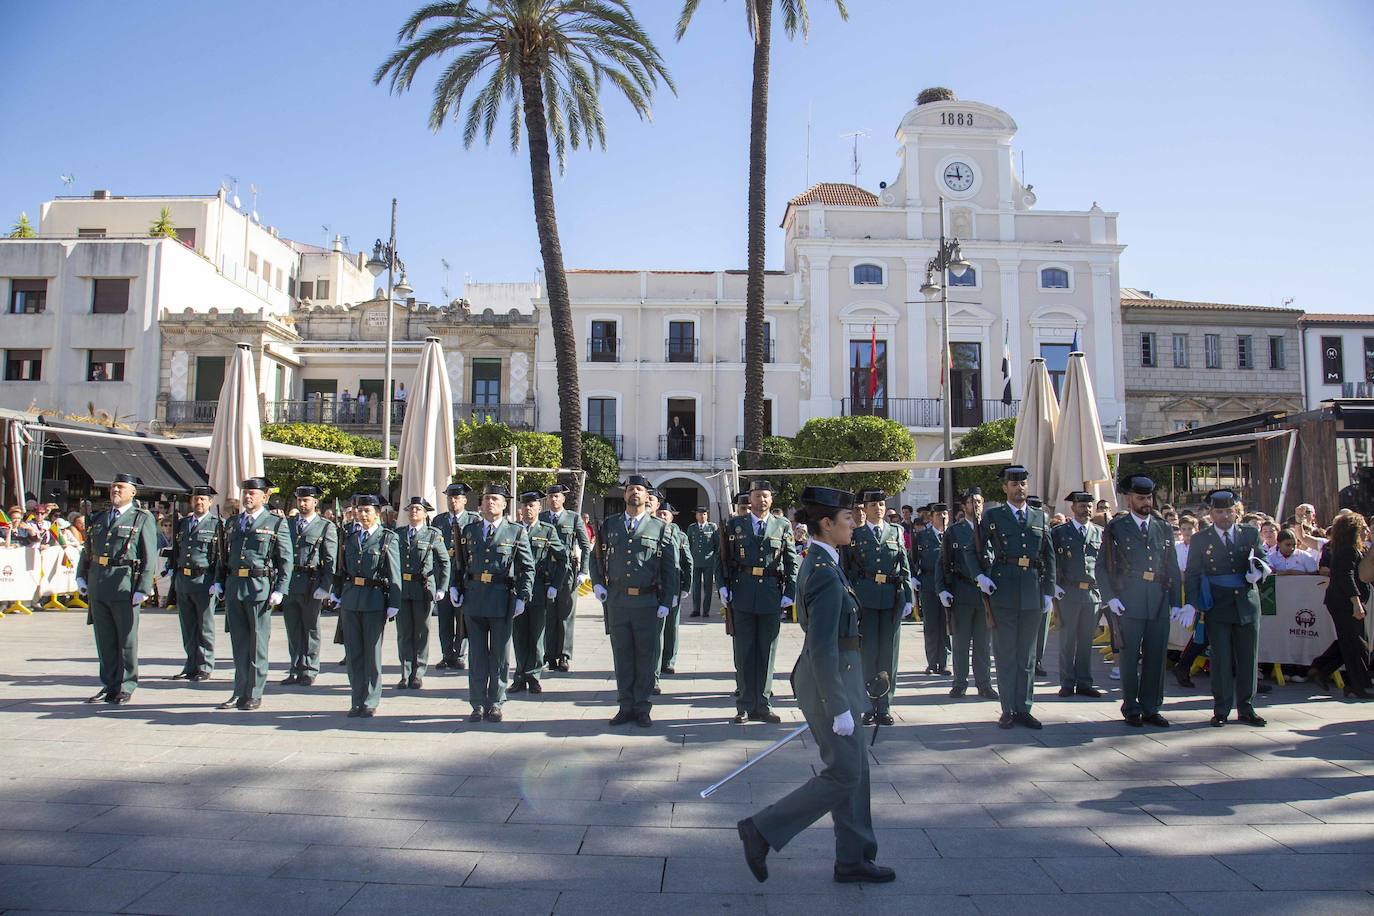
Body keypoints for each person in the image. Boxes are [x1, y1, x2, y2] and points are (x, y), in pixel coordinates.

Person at [737, 485, 894, 887]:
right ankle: (762, 829)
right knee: (843, 773)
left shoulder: (829, 561)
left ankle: (854, 857)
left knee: (855, 769)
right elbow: (822, 646)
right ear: (826, 524)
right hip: (830, 680)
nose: (855, 524)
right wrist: (838, 705)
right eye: (847, 519)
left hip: (841, 675)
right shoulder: (823, 572)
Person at [592, 475, 679, 727]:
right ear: (625, 495)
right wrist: (597, 583)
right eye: (631, 489)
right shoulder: (610, 525)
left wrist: (667, 600)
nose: (635, 494)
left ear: (647, 496)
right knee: (622, 655)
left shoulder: (660, 528)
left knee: (646, 656)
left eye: (639, 490)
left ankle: (642, 707)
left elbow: (669, 568)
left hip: (647, 602)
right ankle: (625, 705)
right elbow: (595, 557)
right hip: (618, 601)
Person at [1182, 488, 1271, 727]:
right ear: (1211, 513)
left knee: (1248, 658)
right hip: (1217, 605)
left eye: (1229, 511)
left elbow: (1263, 558)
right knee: (1220, 659)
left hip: (1246, 602)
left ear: (1237, 512)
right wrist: (1192, 603)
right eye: (1219, 511)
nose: (1225, 516)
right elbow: (1192, 573)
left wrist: (1258, 571)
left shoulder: (1249, 534)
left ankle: (1247, 707)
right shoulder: (1202, 539)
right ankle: (1221, 708)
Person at [1100, 475, 1182, 727]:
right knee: (1128, 656)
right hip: (1129, 598)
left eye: (1149, 497)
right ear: (1129, 499)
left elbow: (1172, 566)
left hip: (1157, 597)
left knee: (1156, 655)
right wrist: (1110, 597)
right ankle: (1131, 706)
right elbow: (1103, 566)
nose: (1146, 502)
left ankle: (1152, 706)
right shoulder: (1117, 527)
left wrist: (1176, 600)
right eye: (1141, 498)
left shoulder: (1162, 527)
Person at [978, 466, 1056, 729]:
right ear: (1005, 489)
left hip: (1032, 591)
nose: (1019, 488)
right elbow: (973, 548)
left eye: (1023, 483)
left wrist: (1048, 590)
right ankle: (1008, 709)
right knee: (1006, 654)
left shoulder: (1040, 517)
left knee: (1028, 655)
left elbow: (1049, 556)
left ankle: (1025, 707)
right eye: (1014, 484)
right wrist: (981, 575)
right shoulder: (994, 516)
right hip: (1004, 591)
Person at [718, 479, 800, 725]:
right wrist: (722, 585)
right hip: (742, 592)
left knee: (767, 652)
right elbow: (722, 560)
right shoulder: (734, 525)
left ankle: (762, 705)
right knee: (744, 652)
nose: (761, 500)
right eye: (756, 495)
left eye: (765, 495)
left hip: (771, 595)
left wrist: (790, 591)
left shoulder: (782, 526)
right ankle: (743, 705)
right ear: (749, 499)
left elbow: (791, 561)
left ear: (771, 499)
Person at [453, 484, 534, 722]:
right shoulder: (470, 530)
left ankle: (496, 702)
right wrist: (454, 587)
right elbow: (460, 563)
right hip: (475, 598)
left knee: (499, 655)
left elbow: (527, 567)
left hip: (502, 599)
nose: (490, 503)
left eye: (495, 499)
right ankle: (477, 703)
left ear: (504, 504)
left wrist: (523, 596)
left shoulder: (516, 532)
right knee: (477, 655)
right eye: (487, 498)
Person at [75, 473, 158, 705]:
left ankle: (126, 684)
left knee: (126, 639)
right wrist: (81, 576)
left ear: (133, 492)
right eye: (113, 487)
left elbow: (148, 554)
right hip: (99, 583)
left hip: (124, 584)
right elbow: (88, 550)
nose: (115, 491)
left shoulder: (141, 518)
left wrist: (143, 586)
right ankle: (109, 684)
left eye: (120, 487)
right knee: (105, 639)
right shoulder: (100, 518)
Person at [214, 477, 293, 711]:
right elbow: (222, 555)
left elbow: (286, 560)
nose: (248, 497)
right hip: (234, 587)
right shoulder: (233, 523)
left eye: (253, 494)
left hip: (259, 588)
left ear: (264, 497)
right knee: (239, 644)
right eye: (245, 493)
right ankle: (238, 691)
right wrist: (219, 581)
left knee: (257, 644)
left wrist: (281, 589)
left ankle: (254, 693)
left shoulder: (276, 523)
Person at [846, 489, 913, 727]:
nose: (879, 508)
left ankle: (884, 706)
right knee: (868, 654)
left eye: (882, 504)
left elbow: (904, 566)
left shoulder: (895, 532)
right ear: (865, 508)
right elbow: (848, 570)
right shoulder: (856, 535)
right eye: (873, 504)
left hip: (891, 599)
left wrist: (908, 597)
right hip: (866, 599)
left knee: (889, 654)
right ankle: (867, 705)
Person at [338, 494, 401, 717]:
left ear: (377, 514)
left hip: (374, 600)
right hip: (351, 598)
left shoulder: (387, 538)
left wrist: (394, 602)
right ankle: (356, 698)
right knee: (353, 652)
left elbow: (394, 572)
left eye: (367, 511)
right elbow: (342, 568)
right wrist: (338, 594)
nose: (362, 515)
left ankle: (371, 699)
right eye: (359, 510)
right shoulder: (351, 536)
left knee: (371, 654)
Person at [280, 485, 338, 688]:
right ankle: (295, 667)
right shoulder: (287, 524)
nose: (302, 503)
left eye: (307, 500)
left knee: (311, 627)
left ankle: (310, 668)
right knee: (293, 628)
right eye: (300, 500)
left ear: (315, 502)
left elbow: (331, 559)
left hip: (311, 582)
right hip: (290, 582)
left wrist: (326, 586)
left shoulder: (325, 526)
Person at [1309, 513, 1372, 698]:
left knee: (1350, 641)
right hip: (1344, 603)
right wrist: (1356, 603)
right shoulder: (1347, 550)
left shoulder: (1345, 549)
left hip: (1341, 602)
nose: (1366, 532)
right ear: (1354, 531)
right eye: (1363, 529)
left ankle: (1321, 669)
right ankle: (1358, 685)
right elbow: (1346, 577)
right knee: (1356, 644)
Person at [941, 488, 995, 698]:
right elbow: (943, 562)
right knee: (961, 643)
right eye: (973, 503)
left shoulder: (990, 529)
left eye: (980, 502)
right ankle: (960, 683)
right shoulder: (954, 531)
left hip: (985, 595)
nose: (977, 506)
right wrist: (943, 589)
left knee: (983, 643)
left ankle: (984, 684)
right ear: (964, 507)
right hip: (962, 591)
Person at [1051, 491, 1104, 699]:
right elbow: (1051, 560)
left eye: (1089, 506)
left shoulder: (1100, 533)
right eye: (1082, 506)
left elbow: (1105, 564)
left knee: (1085, 641)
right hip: (1068, 591)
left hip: (1092, 593)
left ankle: (1084, 682)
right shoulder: (1060, 533)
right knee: (1067, 640)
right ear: (1073, 508)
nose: (1086, 509)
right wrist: (1054, 585)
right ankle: (1066, 682)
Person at [511, 490, 565, 695]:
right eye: (525, 505)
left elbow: (562, 559)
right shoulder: (514, 530)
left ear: (539, 508)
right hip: (516, 588)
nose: (528, 509)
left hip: (539, 589)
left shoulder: (547, 531)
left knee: (537, 634)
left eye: (532, 505)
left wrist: (555, 585)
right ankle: (519, 676)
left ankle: (533, 676)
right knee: (519, 634)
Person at [168, 485, 223, 682]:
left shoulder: (217, 524)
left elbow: (220, 557)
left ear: (210, 502)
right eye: (196, 499)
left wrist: (217, 581)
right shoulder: (183, 524)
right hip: (184, 579)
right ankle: (190, 664)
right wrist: (171, 568)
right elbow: (177, 550)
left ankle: (205, 665)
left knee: (204, 626)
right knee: (188, 625)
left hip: (204, 580)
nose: (198, 502)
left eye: (202, 499)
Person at [395, 496, 450, 690]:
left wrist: (442, 587)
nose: (413, 512)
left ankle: (418, 672)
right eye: (411, 509)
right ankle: (404, 672)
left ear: (426, 514)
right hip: (402, 589)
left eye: (418, 509)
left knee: (421, 632)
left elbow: (444, 562)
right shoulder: (398, 534)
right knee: (403, 632)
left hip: (423, 588)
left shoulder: (433, 535)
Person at [541, 483, 591, 672]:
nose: (553, 499)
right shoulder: (542, 518)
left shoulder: (573, 518)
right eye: (550, 496)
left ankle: (564, 655)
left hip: (568, 571)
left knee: (565, 615)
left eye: (557, 496)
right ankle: (548, 655)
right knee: (548, 615)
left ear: (563, 499)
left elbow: (585, 545)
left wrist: (584, 571)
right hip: (546, 570)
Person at [433, 482, 478, 671]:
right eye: (450, 498)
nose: (453, 501)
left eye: (457, 498)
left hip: (464, 576)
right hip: (443, 576)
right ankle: (446, 654)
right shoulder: (438, 521)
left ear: (464, 500)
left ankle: (460, 654)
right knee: (444, 619)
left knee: (462, 618)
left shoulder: (473, 520)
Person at [653, 496, 693, 685]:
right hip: (654, 586)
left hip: (674, 586)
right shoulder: (652, 531)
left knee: (671, 626)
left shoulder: (680, 535)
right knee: (656, 628)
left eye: (665, 514)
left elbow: (687, 562)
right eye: (660, 513)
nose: (662, 516)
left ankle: (669, 660)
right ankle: (656, 661)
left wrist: (685, 587)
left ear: (672, 517)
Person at [912, 502, 949, 677]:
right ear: (931, 517)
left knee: (947, 624)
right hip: (928, 582)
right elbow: (913, 558)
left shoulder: (952, 535)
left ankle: (944, 663)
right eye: (938, 515)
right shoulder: (922, 536)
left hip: (950, 584)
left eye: (945, 515)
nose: (942, 518)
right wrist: (913, 577)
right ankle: (932, 662)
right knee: (932, 625)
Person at [687, 506, 719, 619]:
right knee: (695, 587)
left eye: (704, 514)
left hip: (708, 562)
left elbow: (717, 545)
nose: (702, 516)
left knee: (708, 587)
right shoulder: (691, 528)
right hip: (695, 561)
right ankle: (696, 609)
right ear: (696, 516)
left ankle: (706, 610)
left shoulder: (712, 527)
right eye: (700, 514)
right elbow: (688, 544)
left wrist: (714, 558)